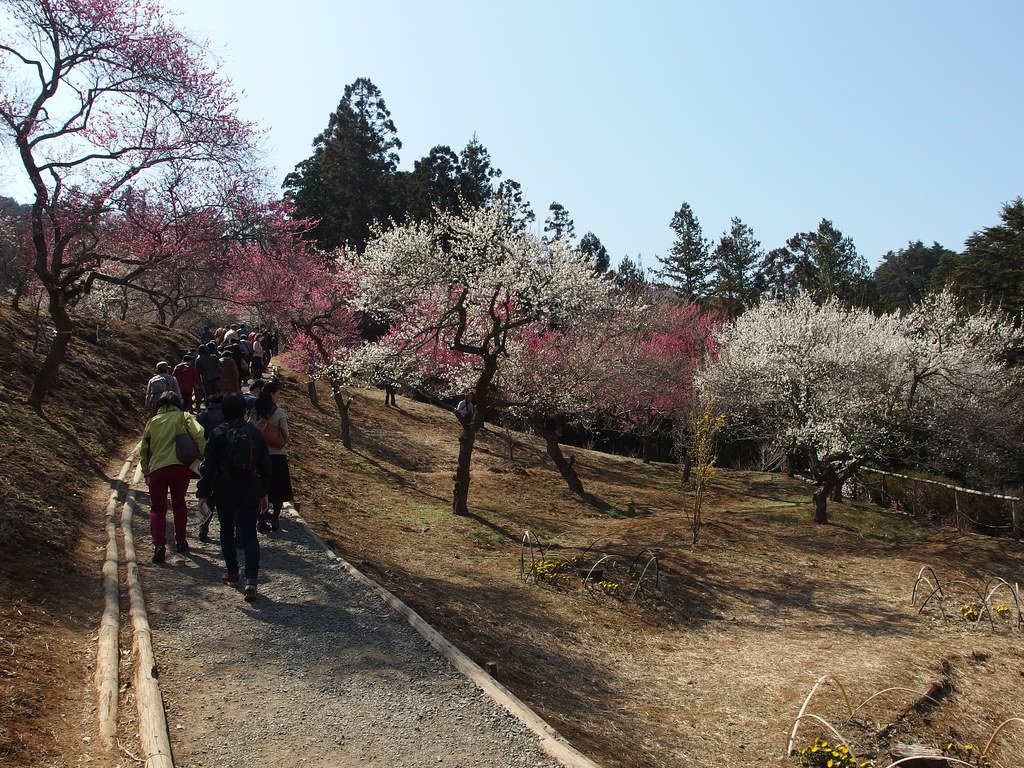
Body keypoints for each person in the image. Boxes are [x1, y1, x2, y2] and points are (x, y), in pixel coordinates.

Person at [196, 392, 271, 601]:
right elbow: (266, 466)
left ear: (224, 412)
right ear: (244, 411)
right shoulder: (254, 434)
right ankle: (252, 579)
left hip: (224, 490)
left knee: (226, 530)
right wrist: (263, 492)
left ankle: (232, 572)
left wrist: (203, 493)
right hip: (249, 490)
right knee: (249, 533)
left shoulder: (218, 433)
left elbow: (207, 466)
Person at [140, 390, 206, 563]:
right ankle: (181, 541)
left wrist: (146, 471)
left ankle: (159, 544)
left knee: (157, 508)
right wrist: (201, 457)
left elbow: (144, 450)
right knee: (179, 504)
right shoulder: (183, 416)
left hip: (156, 470)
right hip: (180, 468)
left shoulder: (152, 422)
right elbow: (199, 434)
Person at [251, 381, 293, 533]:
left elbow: (251, 430)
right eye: (277, 394)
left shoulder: (255, 411)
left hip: (260, 456)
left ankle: (260, 520)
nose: (278, 397)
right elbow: (286, 434)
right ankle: (275, 519)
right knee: (278, 489)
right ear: (271, 394)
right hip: (277, 456)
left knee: (261, 488)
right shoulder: (279, 412)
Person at [196, 395, 226, 542]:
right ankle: (229, 532)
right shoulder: (227, 415)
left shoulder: (202, 416)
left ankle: (203, 527)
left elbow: (196, 435)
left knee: (208, 498)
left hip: (208, 458)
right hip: (226, 462)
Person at [194, 344, 221, 408]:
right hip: (216, 378)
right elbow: (219, 367)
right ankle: (217, 407)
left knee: (208, 395)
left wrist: (199, 382)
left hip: (206, 380)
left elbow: (197, 373)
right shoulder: (214, 357)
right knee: (216, 394)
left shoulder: (199, 360)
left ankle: (209, 408)